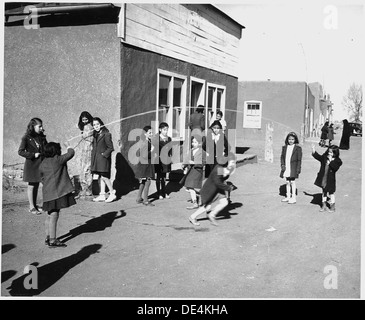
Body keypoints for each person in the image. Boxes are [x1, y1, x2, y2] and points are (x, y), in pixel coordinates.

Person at [39, 141, 76, 248]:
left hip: (47, 194)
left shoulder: (43, 163)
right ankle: (53, 239)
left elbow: (41, 177)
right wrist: (69, 145)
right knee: (54, 214)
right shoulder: (58, 160)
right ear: (56, 151)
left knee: (49, 214)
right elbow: (71, 153)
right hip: (57, 193)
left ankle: (48, 236)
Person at [188, 152, 236, 226]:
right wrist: (228, 188)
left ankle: (212, 215)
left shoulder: (221, 167)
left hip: (217, 190)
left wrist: (227, 173)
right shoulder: (218, 169)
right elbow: (218, 183)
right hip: (211, 190)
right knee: (206, 206)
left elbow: (223, 177)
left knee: (224, 202)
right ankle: (192, 217)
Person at [18, 117, 48, 215]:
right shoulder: (26, 137)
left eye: (41, 126)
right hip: (31, 165)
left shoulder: (41, 137)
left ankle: (35, 205)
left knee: (37, 185)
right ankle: (31, 207)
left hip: (41, 165)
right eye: (39, 126)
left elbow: (46, 148)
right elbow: (20, 151)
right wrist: (32, 155)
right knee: (31, 185)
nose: (41, 128)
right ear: (33, 126)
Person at [90, 117, 116, 203]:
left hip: (103, 160)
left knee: (104, 177)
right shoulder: (95, 134)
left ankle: (112, 193)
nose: (96, 126)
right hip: (96, 160)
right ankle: (102, 195)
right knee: (99, 177)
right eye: (94, 125)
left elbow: (110, 148)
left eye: (97, 124)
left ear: (101, 124)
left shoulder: (106, 134)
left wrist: (104, 155)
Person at [69, 111, 94, 198]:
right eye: (83, 119)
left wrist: (82, 133)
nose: (84, 121)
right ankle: (86, 189)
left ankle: (86, 189)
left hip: (88, 148)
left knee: (86, 169)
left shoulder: (88, 126)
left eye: (86, 119)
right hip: (85, 148)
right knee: (85, 169)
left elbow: (86, 136)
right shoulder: (86, 126)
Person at [311, 144, 342, 212]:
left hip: (330, 179)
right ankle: (323, 205)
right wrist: (313, 150)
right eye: (328, 151)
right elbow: (319, 157)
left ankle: (332, 206)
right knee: (324, 192)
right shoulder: (325, 157)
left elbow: (335, 168)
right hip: (324, 177)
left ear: (335, 153)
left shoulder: (338, 161)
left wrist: (331, 161)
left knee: (331, 192)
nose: (329, 153)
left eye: (331, 152)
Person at [181, 135, 206, 210]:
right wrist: (184, 165)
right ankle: (199, 197)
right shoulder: (191, 151)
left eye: (195, 142)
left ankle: (195, 202)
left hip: (198, 171)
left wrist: (194, 163)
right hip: (191, 171)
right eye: (192, 142)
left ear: (200, 143)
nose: (193, 143)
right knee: (189, 187)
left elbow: (203, 163)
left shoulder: (203, 152)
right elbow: (187, 159)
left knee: (190, 186)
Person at [134, 125, 155, 206]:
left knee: (143, 181)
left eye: (152, 132)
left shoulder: (147, 141)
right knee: (148, 181)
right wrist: (152, 151)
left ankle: (139, 198)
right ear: (145, 133)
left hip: (146, 164)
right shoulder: (145, 142)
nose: (151, 134)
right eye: (149, 133)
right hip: (145, 165)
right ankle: (145, 200)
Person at [279, 132, 302, 204]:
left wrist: (298, 169)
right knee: (287, 182)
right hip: (287, 166)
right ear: (287, 140)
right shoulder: (285, 147)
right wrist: (282, 164)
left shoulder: (298, 148)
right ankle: (288, 196)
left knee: (292, 181)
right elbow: (282, 157)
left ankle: (293, 197)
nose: (291, 141)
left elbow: (299, 160)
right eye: (289, 139)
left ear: (295, 140)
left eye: (292, 139)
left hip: (293, 167)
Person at [152, 122, 172, 200]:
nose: (166, 131)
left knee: (164, 177)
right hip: (159, 160)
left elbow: (170, 149)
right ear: (160, 130)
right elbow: (154, 150)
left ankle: (164, 191)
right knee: (159, 177)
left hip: (166, 160)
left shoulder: (169, 138)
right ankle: (159, 192)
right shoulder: (156, 139)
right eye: (164, 130)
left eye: (167, 130)